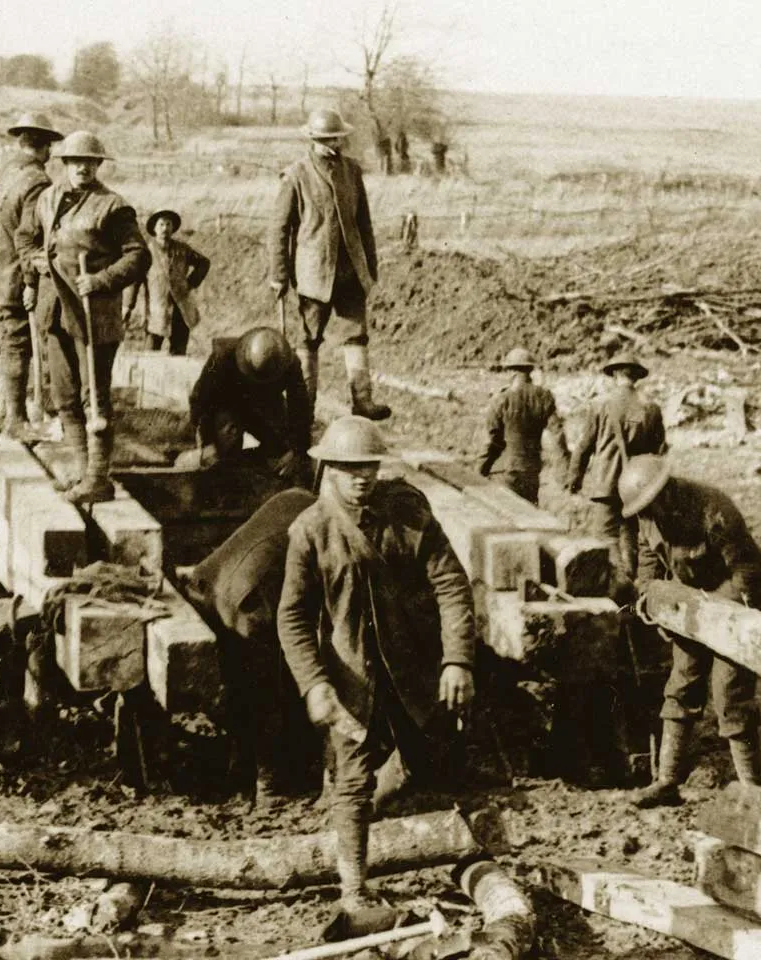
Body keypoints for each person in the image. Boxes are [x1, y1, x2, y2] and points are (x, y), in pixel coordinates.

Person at [277, 416, 477, 914]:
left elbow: (452, 584)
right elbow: (293, 617)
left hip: (413, 669)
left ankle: (359, 815)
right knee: (352, 779)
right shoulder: (311, 531)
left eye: (369, 467)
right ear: (329, 470)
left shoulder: (407, 515)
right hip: (351, 677)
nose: (362, 478)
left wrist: (457, 660)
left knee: (423, 762)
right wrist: (313, 684)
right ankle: (354, 891)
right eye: (349, 470)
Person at [621, 455, 761, 806]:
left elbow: (747, 572)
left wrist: (727, 620)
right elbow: (648, 566)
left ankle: (756, 793)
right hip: (690, 604)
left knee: (729, 691)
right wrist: (652, 599)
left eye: (654, 504)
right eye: (644, 509)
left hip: (732, 598)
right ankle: (668, 781)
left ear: (667, 491)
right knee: (682, 683)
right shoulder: (648, 519)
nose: (650, 513)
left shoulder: (712, 508)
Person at [28, 131, 149, 503]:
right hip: (54, 310)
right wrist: (33, 268)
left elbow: (138, 256)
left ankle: (98, 478)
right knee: (63, 394)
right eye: (76, 161)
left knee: (92, 397)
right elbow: (26, 238)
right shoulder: (47, 199)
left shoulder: (112, 207)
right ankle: (82, 473)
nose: (83, 167)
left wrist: (100, 280)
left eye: (90, 162)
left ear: (98, 166)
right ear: (64, 164)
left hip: (93, 314)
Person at [186, 487, 322, 809]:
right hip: (248, 603)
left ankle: (240, 765)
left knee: (245, 684)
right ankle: (271, 786)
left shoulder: (296, 497)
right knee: (269, 688)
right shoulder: (329, 520)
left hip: (208, 584)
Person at [269, 108, 390, 421]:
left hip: (350, 271)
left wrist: (369, 268)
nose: (337, 143)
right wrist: (279, 274)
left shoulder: (352, 171)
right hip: (313, 274)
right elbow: (279, 228)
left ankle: (362, 400)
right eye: (331, 138)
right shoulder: (296, 175)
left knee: (356, 335)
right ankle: (302, 408)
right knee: (308, 339)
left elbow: (364, 223)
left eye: (338, 137)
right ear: (315, 139)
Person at [0, 114, 62, 433]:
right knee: (17, 343)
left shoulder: (4, 173)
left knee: (8, 341)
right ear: (44, 148)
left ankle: (5, 411)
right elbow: (31, 236)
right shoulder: (38, 182)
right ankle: (16, 418)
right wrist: (31, 282)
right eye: (50, 148)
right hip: (17, 273)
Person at [565, 354, 666, 580]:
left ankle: (616, 585)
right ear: (636, 377)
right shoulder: (651, 408)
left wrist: (574, 478)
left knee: (604, 537)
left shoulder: (600, 405)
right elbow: (659, 449)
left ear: (615, 374)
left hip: (606, 482)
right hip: (638, 485)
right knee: (632, 534)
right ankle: (632, 581)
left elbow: (585, 446)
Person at [189, 327, 312, 483]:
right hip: (228, 405)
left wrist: (297, 449)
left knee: (283, 453)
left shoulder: (289, 363)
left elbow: (300, 407)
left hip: (266, 404)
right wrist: (207, 442)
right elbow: (201, 400)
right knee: (219, 458)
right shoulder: (222, 357)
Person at [478, 348, 568, 505]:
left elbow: (491, 441)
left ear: (510, 371)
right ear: (530, 370)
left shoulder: (501, 399)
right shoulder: (544, 397)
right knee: (529, 517)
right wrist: (564, 473)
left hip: (505, 472)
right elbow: (557, 435)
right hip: (531, 472)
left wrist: (480, 470)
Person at [131, 209, 212, 355]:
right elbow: (134, 281)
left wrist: (190, 283)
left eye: (168, 224)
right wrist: (128, 305)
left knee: (179, 353)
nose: (165, 228)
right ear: (154, 228)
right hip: (156, 312)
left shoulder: (183, 250)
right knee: (150, 354)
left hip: (181, 310)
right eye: (161, 224)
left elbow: (204, 263)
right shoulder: (146, 253)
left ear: (173, 228)